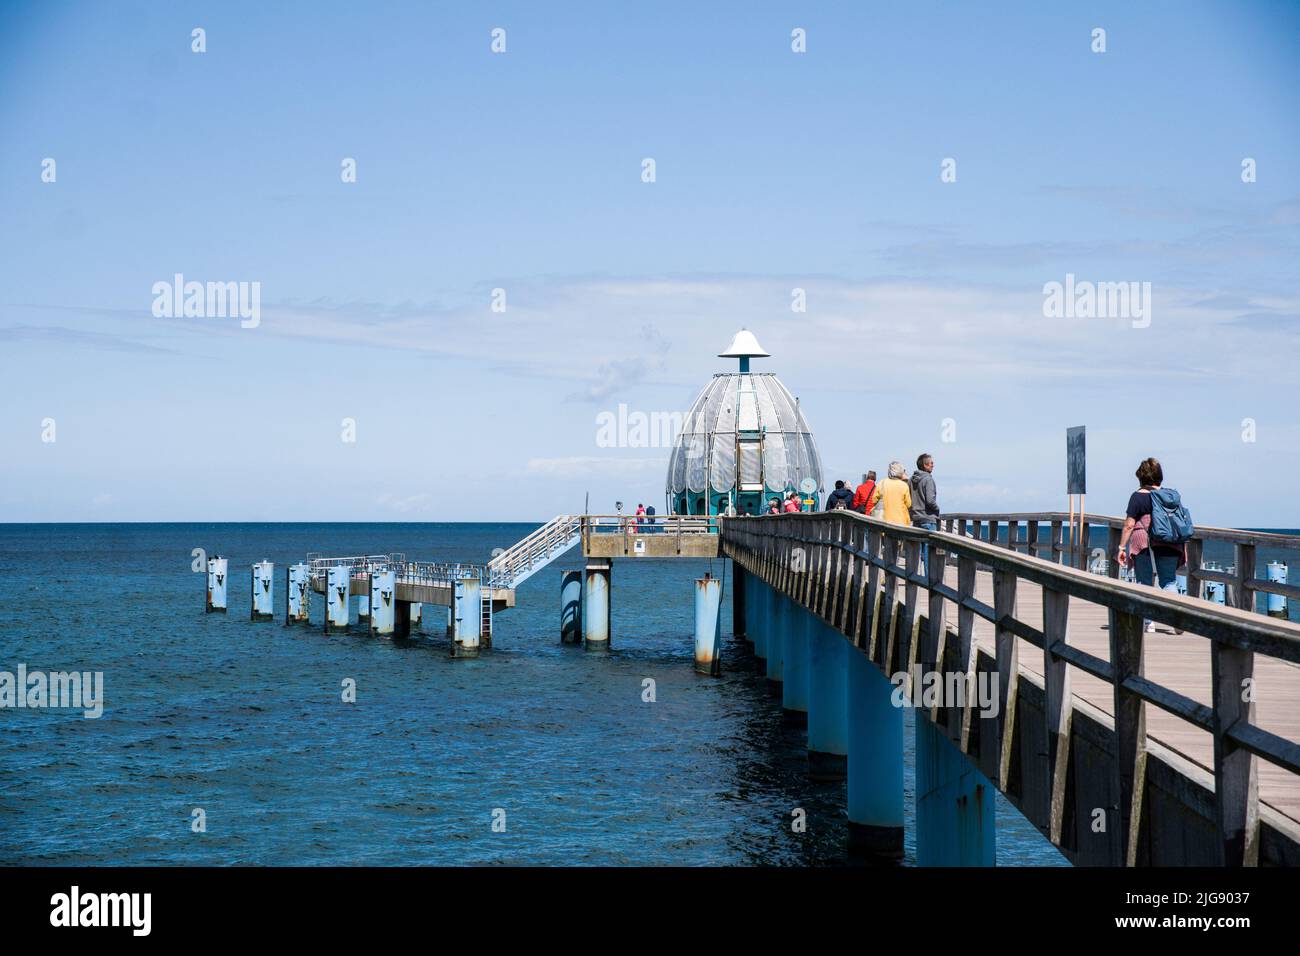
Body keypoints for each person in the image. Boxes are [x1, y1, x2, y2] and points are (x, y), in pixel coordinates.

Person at [1116, 457, 1186, 633]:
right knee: (1169, 581)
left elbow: (1129, 525)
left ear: (1141, 477)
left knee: (1144, 582)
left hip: (1144, 543)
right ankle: (1178, 620)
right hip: (1170, 541)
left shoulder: (1137, 497)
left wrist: (1121, 548)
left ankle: (1149, 622)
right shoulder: (1170, 496)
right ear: (1159, 477)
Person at [910, 454, 941, 570]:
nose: (933, 465)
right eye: (931, 463)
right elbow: (930, 501)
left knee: (916, 553)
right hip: (928, 519)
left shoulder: (911, 480)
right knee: (930, 554)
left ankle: (914, 578)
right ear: (925, 465)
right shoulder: (928, 479)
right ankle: (930, 581)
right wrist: (937, 509)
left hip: (916, 519)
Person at [869, 461, 913, 526]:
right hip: (901, 521)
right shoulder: (904, 486)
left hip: (884, 520)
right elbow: (908, 504)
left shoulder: (882, 483)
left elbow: (874, 500)